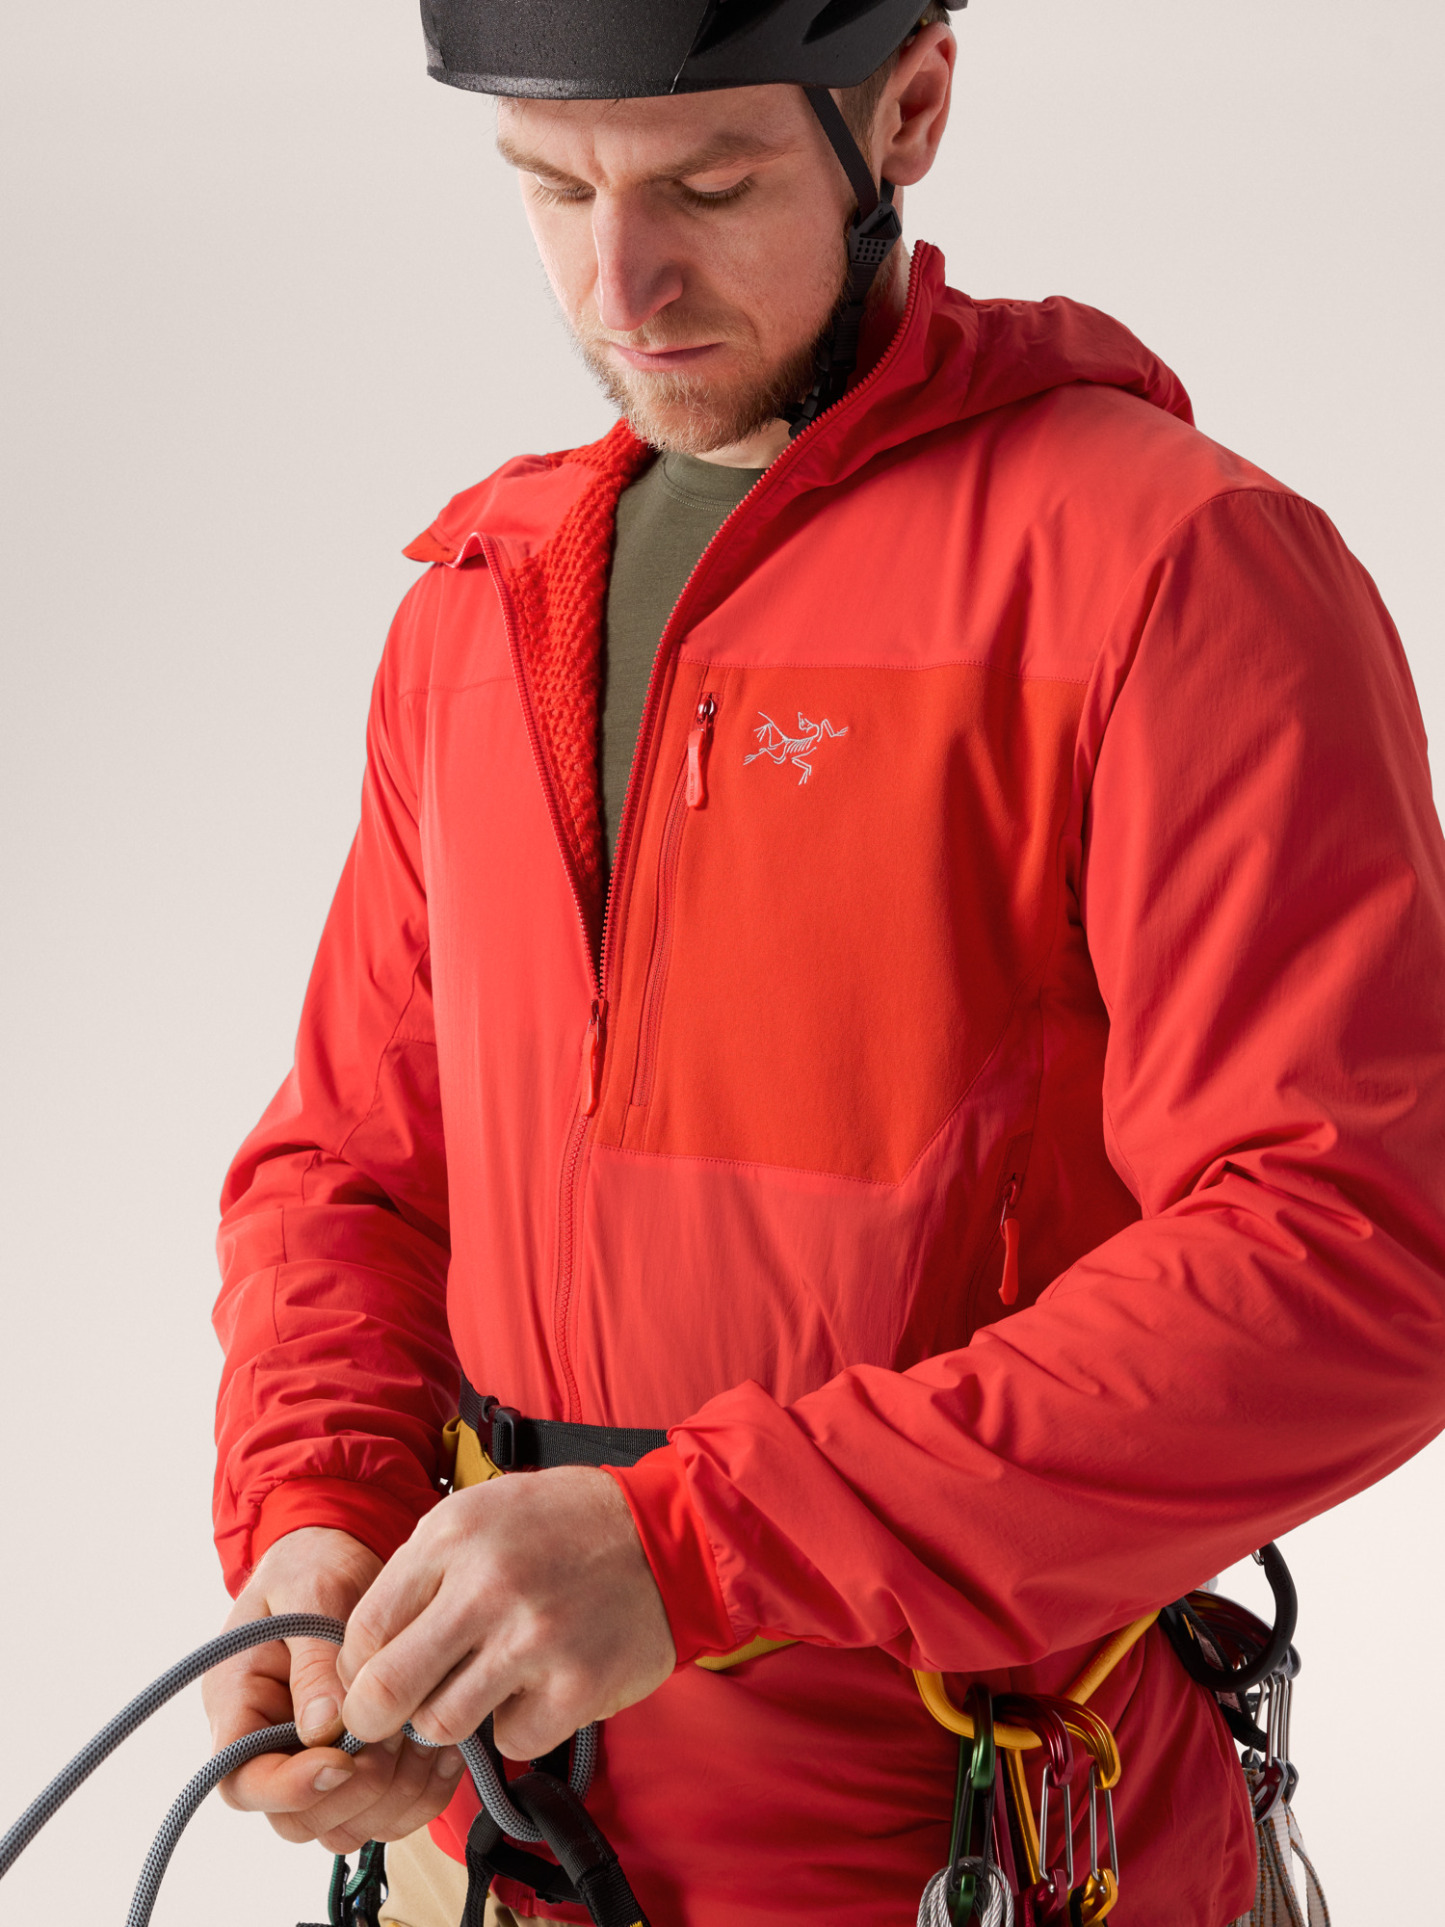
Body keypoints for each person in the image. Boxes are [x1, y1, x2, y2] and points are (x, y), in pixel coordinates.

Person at [201, 3, 1445, 1923]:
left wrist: (690, 1546)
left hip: (975, 1856)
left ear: (909, 107)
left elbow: (1350, 1250)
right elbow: (354, 1169)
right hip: (497, 1855)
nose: (621, 285)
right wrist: (320, 1524)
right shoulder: (478, 605)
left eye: (710, 187)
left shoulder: (1170, 570)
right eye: (554, 190)